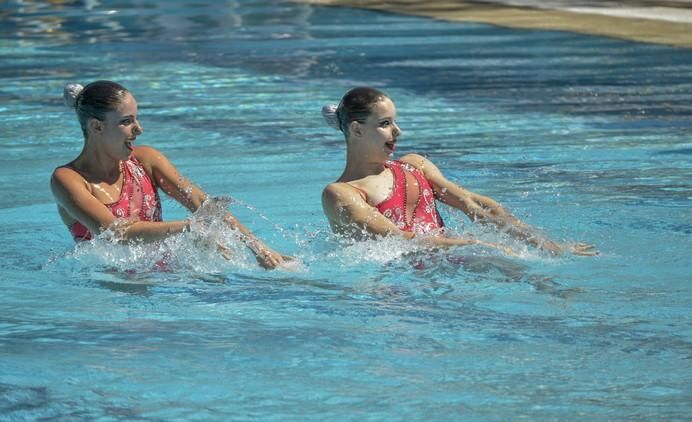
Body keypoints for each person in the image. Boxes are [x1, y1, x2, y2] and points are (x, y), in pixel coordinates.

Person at [321, 87, 597, 256]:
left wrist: (547, 246)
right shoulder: (341, 193)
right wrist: (469, 246)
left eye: (395, 121)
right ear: (357, 129)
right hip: (393, 289)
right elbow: (397, 241)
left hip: (449, 262)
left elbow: (473, 205)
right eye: (385, 123)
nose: (398, 131)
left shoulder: (413, 165)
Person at [51, 80, 289, 269]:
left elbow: (202, 205)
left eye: (136, 118)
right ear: (97, 127)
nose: (139, 129)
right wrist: (190, 228)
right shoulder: (69, 179)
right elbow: (114, 233)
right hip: (110, 290)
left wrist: (258, 248)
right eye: (127, 121)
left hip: (168, 275)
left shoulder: (146, 160)